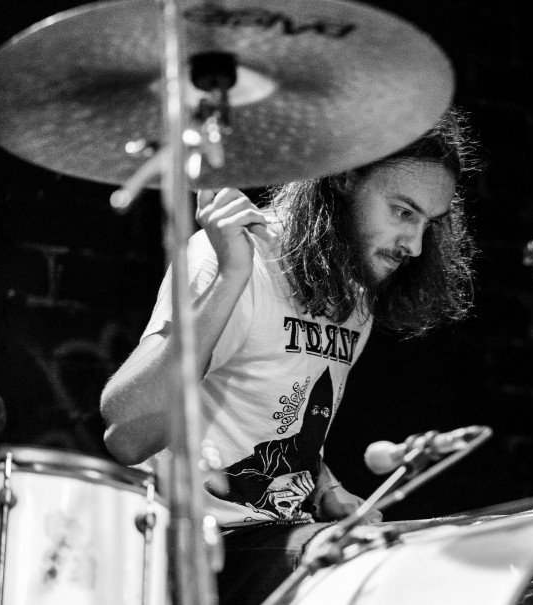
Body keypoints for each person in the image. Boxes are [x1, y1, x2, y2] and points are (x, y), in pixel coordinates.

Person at [99, 107, 479, 604]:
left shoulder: (354, 295)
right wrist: (230, 278)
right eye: (403, 212)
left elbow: (285, 421)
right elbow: (126, 435)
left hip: (278, 538)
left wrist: (326, 488)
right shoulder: (233, 260)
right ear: (345, 176)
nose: (415, 245)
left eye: (429, 223)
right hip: (195, 545)